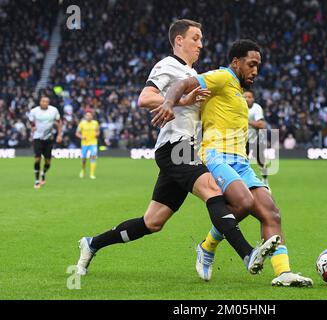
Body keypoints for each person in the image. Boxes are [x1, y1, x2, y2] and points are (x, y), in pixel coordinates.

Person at [76, 20, 280, 277]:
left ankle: (92, 243)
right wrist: (179, 100)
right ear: (179, 40)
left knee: (153, 222)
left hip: (187, 151)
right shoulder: (167, 65)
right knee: (213, 189)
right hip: (175, 147)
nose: (201, 44)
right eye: (196, 38)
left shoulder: (194, 74)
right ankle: (247, 254)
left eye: (202, 39)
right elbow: (145, 97)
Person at [152, 39, 313, 287]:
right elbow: (183, 83)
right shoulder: (222, 77)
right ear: (236, 62)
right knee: (244, 202)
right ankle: (207, 247)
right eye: (251, 64)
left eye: (258, 66)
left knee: (271, 213)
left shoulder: (238, 90)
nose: (255, 71)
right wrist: (168, 102)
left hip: (241, 161)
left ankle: (283, 273)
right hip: (215, 155)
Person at [28, 96, 62, 189]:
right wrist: (33, 127)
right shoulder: (34, 111)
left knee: (48, 162)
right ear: (40, 102)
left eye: (47, 101)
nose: (45, 103)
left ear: (49, 103)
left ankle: (43, 173)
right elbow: (31, 121)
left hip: (49, 138)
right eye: (43, 101)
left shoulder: (54, 110)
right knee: (37, 159)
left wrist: (59, 134)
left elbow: (59, 122)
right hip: (37, 138)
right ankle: (36, 181)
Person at [244, 89, 269, 186]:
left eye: (249, 97)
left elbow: (261, 125)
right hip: (243, 140)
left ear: (253, 99)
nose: (246, 99)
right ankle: (244, 181)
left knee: (261, 161)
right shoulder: (238, 107)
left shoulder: (256, 108)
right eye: (244, 97)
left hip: (256, 140)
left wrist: (246, 121)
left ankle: (265, 179)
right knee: (242, 161)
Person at [76, 109, 100, 179]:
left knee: (93, 156)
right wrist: (81, 136)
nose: (88, 117)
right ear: (85, 116)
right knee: (84, 159)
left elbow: (98, 131)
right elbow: (77, 133)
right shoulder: (82, 123)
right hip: (84, 143)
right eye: (87, 115)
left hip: (93, 143)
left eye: (90, 115)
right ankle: (83, 170)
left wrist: (97, 134)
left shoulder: (95, 123)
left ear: (92, 116)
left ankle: (92, 174)